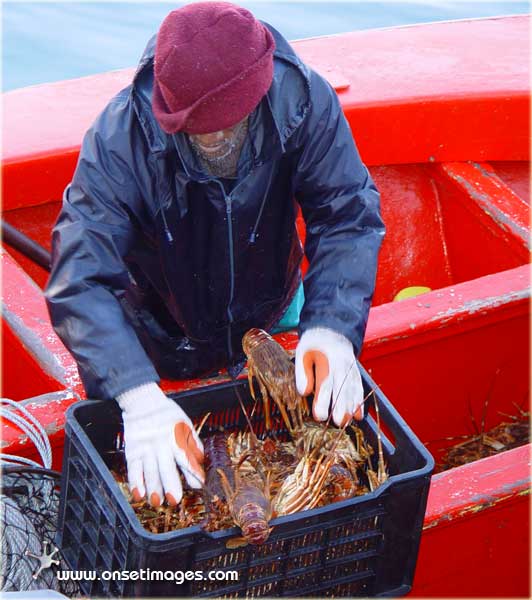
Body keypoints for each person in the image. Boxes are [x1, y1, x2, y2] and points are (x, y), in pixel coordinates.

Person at [45, 2, 385, 508]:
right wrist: (136, 393)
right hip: (161, 332)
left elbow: (346, 213)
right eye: (198, 131)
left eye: (225, 127)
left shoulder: (305, 101)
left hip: (274, 307)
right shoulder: (118, 141)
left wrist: (332, 325)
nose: (215, 139)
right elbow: (80, 280)